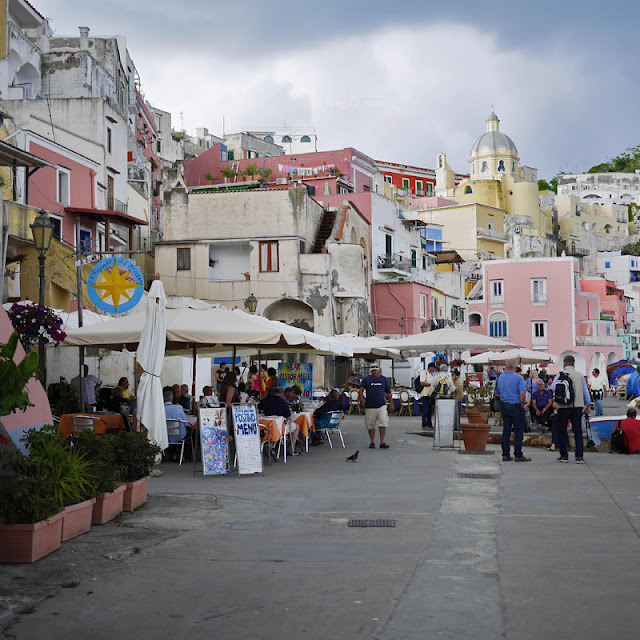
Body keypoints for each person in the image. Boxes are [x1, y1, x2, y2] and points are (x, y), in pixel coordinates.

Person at [550, 354, 592, 464]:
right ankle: (579, 457)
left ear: (564, 364)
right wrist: (588, 405)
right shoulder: (580, 376)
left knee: (562, 431)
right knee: (577, 431)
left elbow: (553, 387)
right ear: (574, 364)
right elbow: (585, 392)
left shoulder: (559, 375)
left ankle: (564, 456)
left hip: (563, 406)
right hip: (577, 406)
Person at [494, 358, 530, 462]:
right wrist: (522, 405)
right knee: (518, 431)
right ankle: (518, 454)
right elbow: (522, 393)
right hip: (516, 405)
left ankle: (505, 454)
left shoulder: (500, 377)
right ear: (516, 367)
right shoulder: (519, 378)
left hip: (505, 405)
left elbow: (496, 392)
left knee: (506, 430)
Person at [359, 363, 392, 449]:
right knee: (370, 425)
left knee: (383, 423)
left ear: (379, 371)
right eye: (373, 371)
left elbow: (388, 392)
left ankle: (382, 442)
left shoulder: (384, 379)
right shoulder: (366, 379)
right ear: (371, 371)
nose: (375, 372)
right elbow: (361, 389)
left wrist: (391, 403)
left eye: (376, 370)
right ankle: (372, 441)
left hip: (381, 405)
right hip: (370, 406)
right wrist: (361, 398)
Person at [259, 387, 299, 455]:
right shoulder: (283, 402)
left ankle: (270, 443)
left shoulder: (266, 400)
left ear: (273, 393)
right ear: (281, 394)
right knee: (297, 427)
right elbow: (289, 417)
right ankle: (291, 449)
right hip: (280, 427)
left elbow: (259, 409)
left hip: (267, 426)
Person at [163, 386, 189, 461]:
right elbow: (185, 422)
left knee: (171, 434)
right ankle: (183, 454)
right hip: (179, 436)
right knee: (189, 433)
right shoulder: (178, 407)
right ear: (172, 398)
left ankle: (173, 453)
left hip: (166, 436)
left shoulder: (161, 409)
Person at [419, 362, 437, 428]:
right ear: (431, 368)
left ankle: (429, 424)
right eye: (434, 369)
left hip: (430, 395)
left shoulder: (431, 375)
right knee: (425, 410)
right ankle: (424, 424)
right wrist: (431, 384)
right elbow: (422, 383)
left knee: (430, 410)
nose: (434, 370)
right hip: (425, 394)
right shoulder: (424, 373)